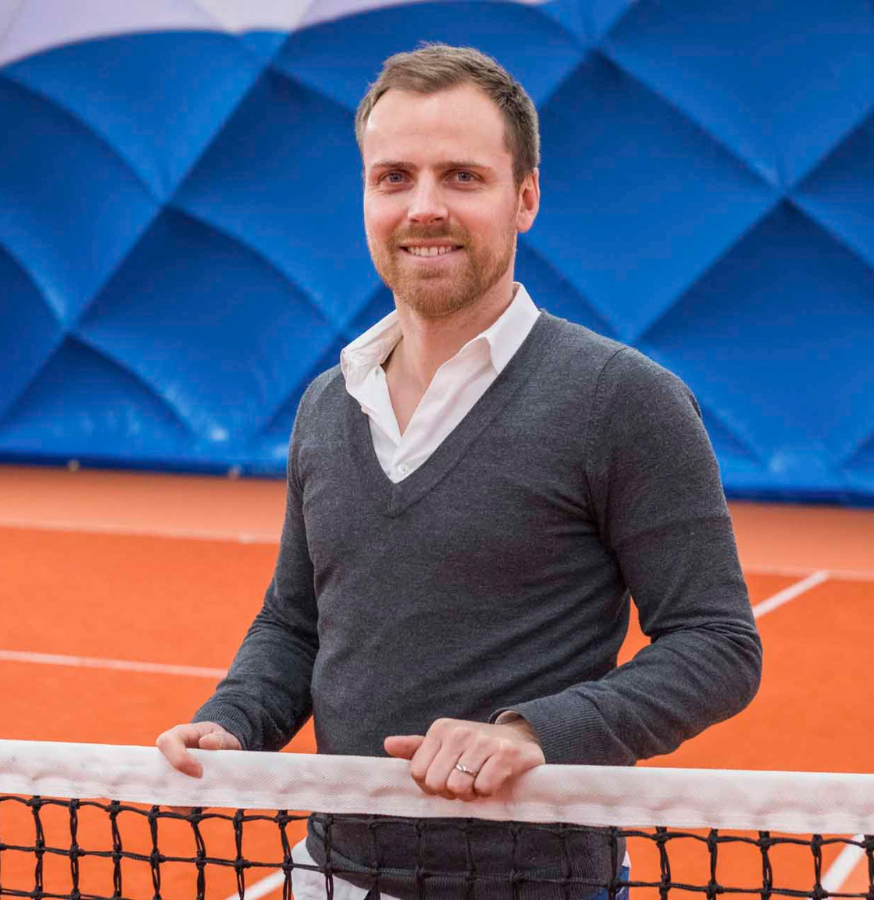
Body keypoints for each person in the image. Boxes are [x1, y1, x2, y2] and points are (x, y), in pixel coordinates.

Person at [157, 43, 762, 899]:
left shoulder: (624, 398)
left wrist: (530, 732)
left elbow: (718, 644)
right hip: (330, 873)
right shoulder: (329, 403)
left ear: (525, 199)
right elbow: (298, 624)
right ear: (366, 196)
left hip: (540, 884)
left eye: (462, 178)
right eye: (394, 177)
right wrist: (233, 723)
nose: (424, 207)